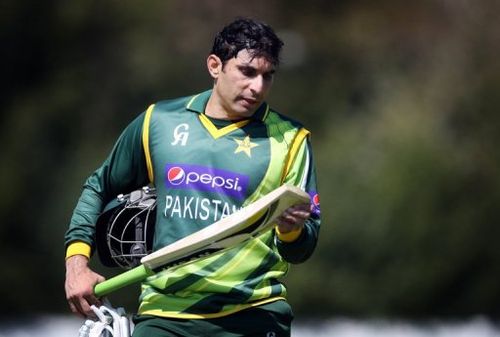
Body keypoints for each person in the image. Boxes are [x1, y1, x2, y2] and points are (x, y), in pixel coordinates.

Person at [65, 17, 321, 337]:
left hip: (253, 314)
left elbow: (303, 248)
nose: (257, 87)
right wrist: (77, 265)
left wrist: (291, 230)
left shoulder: (291, 140)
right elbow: (98, 187)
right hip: (164, 314)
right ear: (215, 66)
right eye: (247, 71)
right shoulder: (157, 123)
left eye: (267, 76)